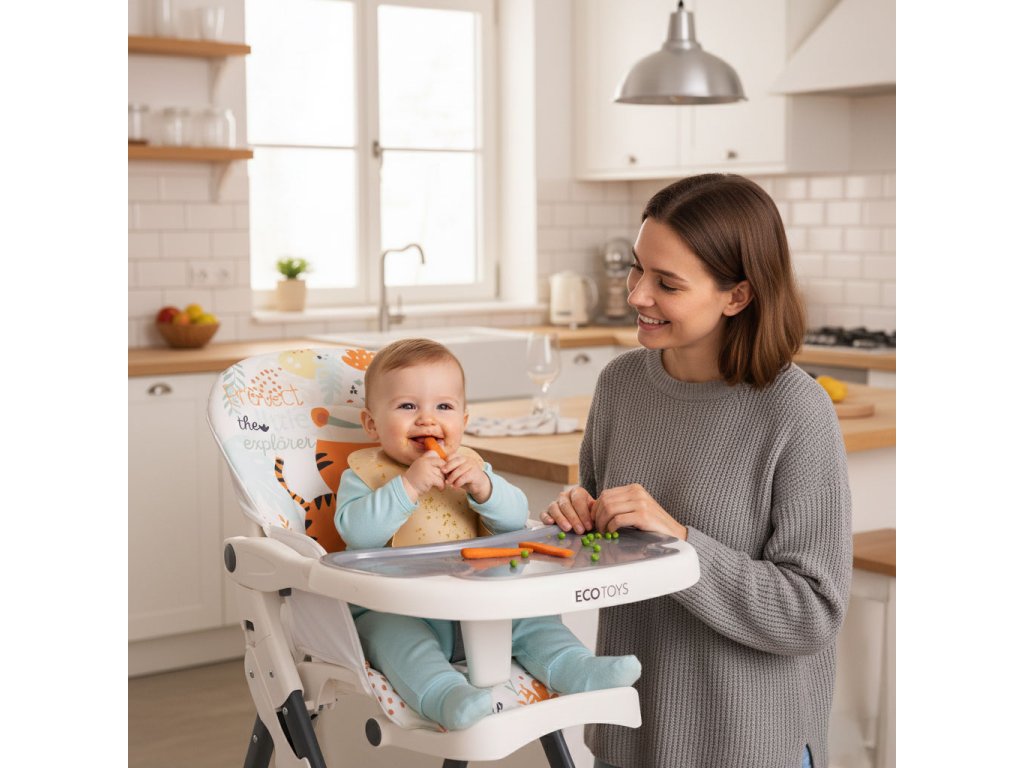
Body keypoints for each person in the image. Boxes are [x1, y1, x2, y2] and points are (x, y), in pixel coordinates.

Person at [542, 174, 852, 768]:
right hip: (630, 736)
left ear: (737, 296)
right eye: (638, 270)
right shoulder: (621, 385)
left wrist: (680, 542)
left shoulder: (795, 411)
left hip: (748, 747)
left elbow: (812, 612)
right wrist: (576, 517)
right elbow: (607, 548)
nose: (637, 295)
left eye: (667, 283)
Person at [335, 338, 641, 731]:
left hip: (481, 604)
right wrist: (407, 487)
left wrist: (485, 488)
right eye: (408, 406)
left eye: (443, 407)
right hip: (402, 608)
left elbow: (513, 522)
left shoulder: (471, 468)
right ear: (371, 424)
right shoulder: (363, 475)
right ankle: (447, 696)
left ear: (463, 420)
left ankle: (576, 667)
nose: (427, 420)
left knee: (533, 619)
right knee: (395, 639)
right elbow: (357, 535)